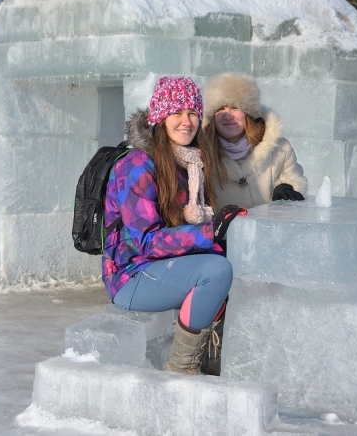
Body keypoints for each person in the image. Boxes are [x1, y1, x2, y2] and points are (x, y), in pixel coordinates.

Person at [102, 76, 243, 376]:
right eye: (176, 112)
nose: (186, 121)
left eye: (192, 113)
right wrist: (211, 233)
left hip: (161, 267)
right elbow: (145, 242)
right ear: (160, 118)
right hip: (131, 275)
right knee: (216, 271)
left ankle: (213, 357)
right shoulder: (136, 164)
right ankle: (182, 368)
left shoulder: (190, 163)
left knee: (234, 261)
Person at [201, 72, 307, 212]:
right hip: (221, 227)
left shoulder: (281, 149)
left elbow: (295, 181)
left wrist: (286, 186)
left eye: (235, 107)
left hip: (267, 226)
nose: (227, 116)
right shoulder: (201, 154)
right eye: (220, 109)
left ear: (248, 112)